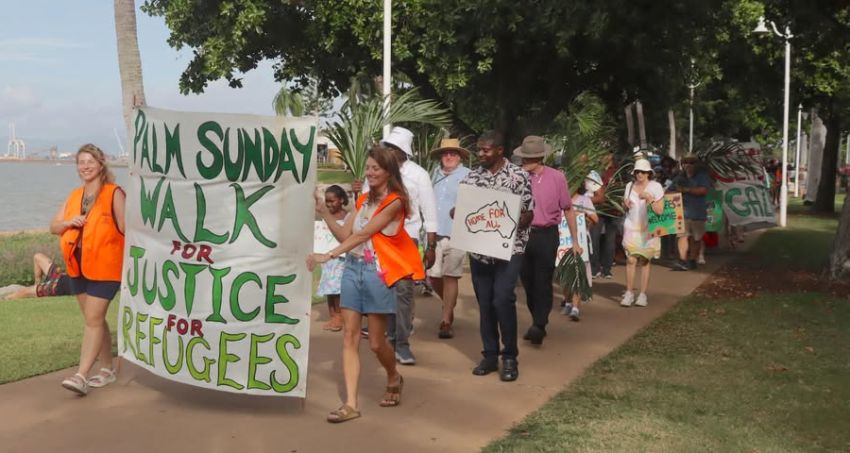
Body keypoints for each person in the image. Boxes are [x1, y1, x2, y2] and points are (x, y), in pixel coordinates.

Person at [308, 145, 424, 423]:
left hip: (377, 273)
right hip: (352, 269)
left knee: (374, 342)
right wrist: (324, 212)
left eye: (376, 168)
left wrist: (328, 256)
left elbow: (364, 235)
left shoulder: (395, 201)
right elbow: (345, 235)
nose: (370, 173)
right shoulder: (362, 201)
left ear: (388, 171)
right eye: (368, 168)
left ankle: (394, 375)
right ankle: (350, 404)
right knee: (349, 336)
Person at [50, 144, 125, 396]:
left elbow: (127, 228)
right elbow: (53, 226)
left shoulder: (114, 193)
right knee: (94, 320)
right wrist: (68, 222)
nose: (85, 167)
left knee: (93, 320)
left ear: (101, 163)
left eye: (90, 161)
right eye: (81, 162)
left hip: (107, 267)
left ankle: (81, 375)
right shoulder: (74, 196)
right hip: (78, 267)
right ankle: (106, 368)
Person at [462, 131, 533, 382]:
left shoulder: (519, 176)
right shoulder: (472, 177)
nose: (481, 154)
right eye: (479, 150)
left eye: (486, 150)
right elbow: (463, 211)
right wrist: (458, 213)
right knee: (485, 303)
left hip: (509, 249)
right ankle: (490, 355)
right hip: (480, 251)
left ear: (500, 150)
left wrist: (519, 218)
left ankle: (510, 356)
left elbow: (528, 213)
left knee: (502, 299)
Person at [375, 127, 438, 365]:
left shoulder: (418, 175)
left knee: (402, 291)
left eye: (393, 148)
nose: (389, 151)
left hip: (406, 239)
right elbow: (364, 204)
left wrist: (431, 246)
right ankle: (388, 336)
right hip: (378, 240)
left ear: (404, 152)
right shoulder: (377, 170)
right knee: (383, 291)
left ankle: (401, 344)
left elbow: (430, 212)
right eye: (387, 147)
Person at [515, 135, 579, 345]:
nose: (525, 162)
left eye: (530, 158)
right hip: (522, 235)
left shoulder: (557, 177)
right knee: (527, 280)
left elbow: (568, 209)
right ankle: (537, 319)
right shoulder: (517, 177)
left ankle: (540, 324)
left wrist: (575, 241)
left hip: (546, 234)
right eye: (524, 158)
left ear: (540, 158)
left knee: (543, 280)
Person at [428, 138, 471, 339]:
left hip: (457, 233)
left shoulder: (468, 176)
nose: (449, 156)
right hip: (434, 233)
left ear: (460, 156)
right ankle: (449, 306)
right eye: (445, 153)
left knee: (451, 275)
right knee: (433, 276)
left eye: (453, 153)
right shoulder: (433, 175)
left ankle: (445, 320)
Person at [620, 157, 665, 308]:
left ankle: (643, 294)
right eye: (637, 172)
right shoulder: (629, 186)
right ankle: (629, 292)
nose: (640, 174)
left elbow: (660, 211)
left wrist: (650, 198)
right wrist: (624, 204)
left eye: (643, 172)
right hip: (631, 227)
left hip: (648, 228)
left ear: (648, 173)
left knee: (645, 261)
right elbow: (625, 206)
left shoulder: (656, 187)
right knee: (631, 260)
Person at [561, 179, 598, 321]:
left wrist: (582, 214)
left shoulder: (585, 200)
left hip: (580, 242)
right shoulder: (560, 199)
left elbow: (595, 218)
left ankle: (576, 307)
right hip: (563, 242)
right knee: (565, 274)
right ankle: (568, 301)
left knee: (577, 273)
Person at [316, 185, 350, 332]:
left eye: (332, 201)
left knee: (338, 288)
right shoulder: (323, 215)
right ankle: (333, 316)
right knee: (330, 288)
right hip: (327, 256)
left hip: (342, 257)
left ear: (341, 200)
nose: (329, 204)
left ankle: (340, 316)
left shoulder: (348, 216)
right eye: (327, 201)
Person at [670, 153, 712, 271]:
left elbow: (703, 190)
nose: (688, 165)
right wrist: (676, 193)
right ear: (682, 164)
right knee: (682, 236)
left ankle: (692, 259)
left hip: (698, 212)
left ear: (696, 164)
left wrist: (685, 190)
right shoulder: (678, 178)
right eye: (686, 162)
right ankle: (682, 260)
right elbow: (668, 192)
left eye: (691, 162)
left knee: (696, 238)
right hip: (682, 213)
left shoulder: (702, 176)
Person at [589, 153, 621, 279]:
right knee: (594, 238)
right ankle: (594, 268)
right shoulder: (596, 172)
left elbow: (620, 188)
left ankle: (607, 269)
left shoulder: (616, 172)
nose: (605, 157)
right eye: (603, 155)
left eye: (608, 155)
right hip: (598, 209)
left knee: (610, 240)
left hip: (612, 210)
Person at [2, 253, 72, 300]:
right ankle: (36, 285)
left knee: (24, 292)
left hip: (58, 286)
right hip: (60, 276)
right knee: (37, 256)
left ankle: (5, 299)